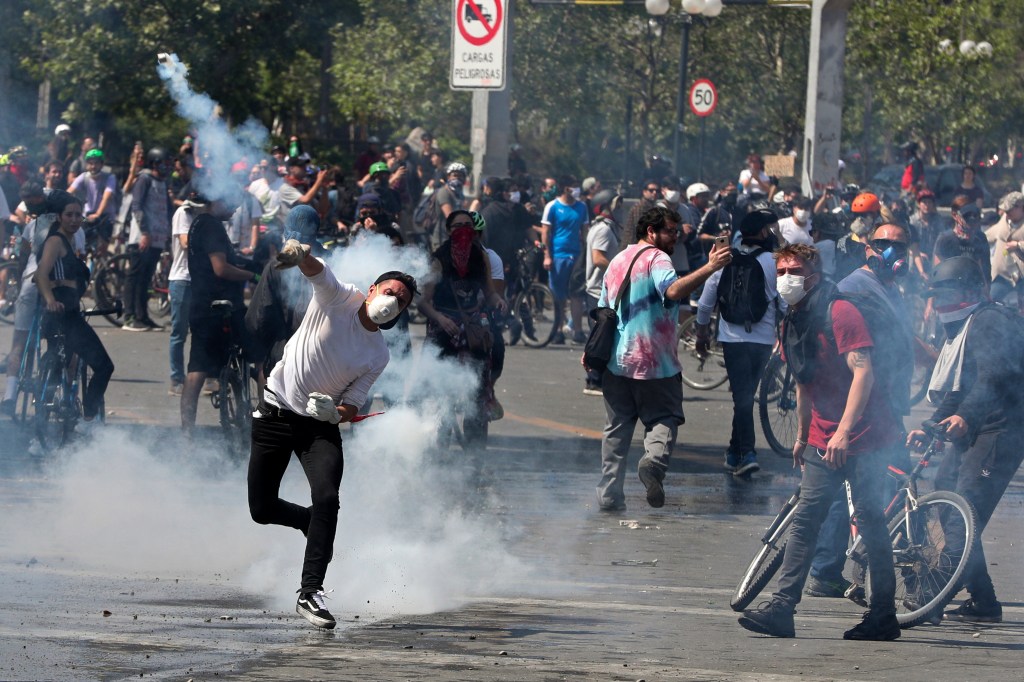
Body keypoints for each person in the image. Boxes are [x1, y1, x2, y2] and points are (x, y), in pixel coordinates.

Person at [248, 237, 417, 630]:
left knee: (326, 497)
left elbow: (353, 405)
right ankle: (312, 526)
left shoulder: (379, 354)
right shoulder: (339, 298)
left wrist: (334, 412)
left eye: (402, 301)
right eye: (390, 291)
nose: (393, 300)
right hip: (274, 412)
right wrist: (300, 254)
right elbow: (318, 272)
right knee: (262, 509)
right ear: (372, 289)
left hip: (317, 427)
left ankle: (310, 593)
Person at [737, 244, 899, 642]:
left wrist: (843, 430)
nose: (787, 277)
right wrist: (805, 434)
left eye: (795, 269)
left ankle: (884, 615)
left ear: (814, 273)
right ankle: (782, 608)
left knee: (871, 522)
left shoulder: (840, 311)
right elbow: (804, 378)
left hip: (866, 433)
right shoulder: (791, 318)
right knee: (807, 518)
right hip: (824, 436)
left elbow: (864, 374)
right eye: (782, 270)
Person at [906, 257, 1024, 624]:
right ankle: (983, 600)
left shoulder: (989, 321)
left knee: (964, 513)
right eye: (937, 295)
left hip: (1000, 431)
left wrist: (964, 417)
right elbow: (963, 386)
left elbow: (992, 378)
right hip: (977, 426)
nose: (940, 303)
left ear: (970, 291)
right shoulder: (964, 325)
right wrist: (933, 423)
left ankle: (931, 597)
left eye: (947, 293)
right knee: (951, 504)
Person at [594, 206, 732, 512]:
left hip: (616, 361)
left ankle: (609, 495)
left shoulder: (618, 259)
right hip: (654, 361)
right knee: (664, 419)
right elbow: (672, 291)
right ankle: (653, 464)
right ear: (651, 232)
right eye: (670, 231)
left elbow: (602, 309)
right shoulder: (657, 259)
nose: (676, 237)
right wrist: (709, 268)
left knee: (616, 431)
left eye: (678, 231)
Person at [804, 223, 915, 601]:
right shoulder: (854, 286)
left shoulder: (890, 288)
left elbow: (900, 335)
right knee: (852, 489)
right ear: (868, 246)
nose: (891, 252)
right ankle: (828, 570)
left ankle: (842, 569)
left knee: (872, 488)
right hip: (862, 405)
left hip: (888, 403)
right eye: (884, 244)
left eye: (899, 246)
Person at [695, 209, 781, 476]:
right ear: (764, 232)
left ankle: (737, 452)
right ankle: (746, 453)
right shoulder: (773, 261)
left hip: (731, 339)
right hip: (763, 339)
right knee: (744, 396)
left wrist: (701, 335)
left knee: (742, 397)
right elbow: (785, 302)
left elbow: (706, 301)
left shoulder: (725, 259)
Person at [418, 210, 508, 432]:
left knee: (480, 383)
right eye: (458, 225)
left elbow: (490, 293)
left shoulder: (481, 257)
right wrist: (440, 318)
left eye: (468, 225)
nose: (464, 230)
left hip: (474, 329)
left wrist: (498, 301)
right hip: (445, 327)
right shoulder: (438, 259)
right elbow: (423, 302)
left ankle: (475, 455)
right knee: (441, 391)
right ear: (449, 230)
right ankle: (440, 444)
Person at [180, 201, 261, 434]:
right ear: (216, 200)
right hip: (223, 307)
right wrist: (254, 275)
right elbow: (221, 268)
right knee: (262, 356)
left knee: (197, 368)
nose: (237, 207)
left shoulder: (198, 223)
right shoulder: (212, 226)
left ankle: (187, 436)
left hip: (200, 304)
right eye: (232, 201)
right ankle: (269, 426)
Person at [35, 193, 114, 426]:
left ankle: (41, 427)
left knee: (58, 366)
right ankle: (88, 420)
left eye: (78, 214)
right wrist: (50, 299)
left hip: (63, 313)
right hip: (63, 314)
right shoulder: (56, 241)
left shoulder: (68, 241)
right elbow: (40, 275)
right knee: (104, 366)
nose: (74, 219)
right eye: (69, 214)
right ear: (59, 217)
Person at [123, 147, 172, 332]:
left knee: (146, 279)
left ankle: (142, 316)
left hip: (157, 239)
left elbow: (166, 209)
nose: (167, 167)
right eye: (163, 163)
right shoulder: (144, 179)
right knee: (135, 276)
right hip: (142, 237)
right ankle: (129, 317)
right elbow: (136, 206)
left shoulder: (162, 183)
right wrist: (144, 232)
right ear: (154, 163)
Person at [582, 191, 622, 396]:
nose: (619, 208)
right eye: (616, 204)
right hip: (599, 290)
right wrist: (621, 271)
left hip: (601, 289)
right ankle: (594, 380)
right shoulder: (603, 230)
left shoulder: (602, 227)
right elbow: (598, 259)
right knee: (600, 337)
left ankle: (598, 379)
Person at [541, 175, 589, 345]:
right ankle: (558, 330)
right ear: (565, 187)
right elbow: (545, 232)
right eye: (573, 185)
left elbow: (585, 232)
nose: (577, 189)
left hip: (576, 255)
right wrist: (547, 255)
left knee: (577, 295)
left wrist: (586, 256)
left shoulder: (582, 207)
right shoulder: (552, 207)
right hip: (557, 256)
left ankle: (578, 331)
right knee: (558, 296)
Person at [166, 193, 206, 396]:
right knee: (179, 332)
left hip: (200, 280)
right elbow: (185, 242)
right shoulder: (184, 212)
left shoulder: (205, 215)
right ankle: (176, 378)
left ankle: (198, 377)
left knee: (202, 332)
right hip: (182, 279)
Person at [68, 148, 117, 251]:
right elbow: (69, 192)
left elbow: (106, 197)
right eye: (90, 163)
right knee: (80, 244)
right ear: (86, 165)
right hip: (88, 216)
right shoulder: (83, 177)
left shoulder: (109, 177)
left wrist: (98, 214)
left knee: (102, 247)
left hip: (105, 216)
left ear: (102, 164)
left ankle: (101, 264)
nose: (93, 166)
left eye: (96, 163)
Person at [933, 196, 990, 283]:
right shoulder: (945, 239)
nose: (971, 219)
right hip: (951, 288)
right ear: (955, 215)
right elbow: (936, 272)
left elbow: (985, 271)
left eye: (974, 215)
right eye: (966, 215)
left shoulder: (980, 239)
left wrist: (986, 290)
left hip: (974, 288)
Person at [984, 191, 1024, 309]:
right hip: (1002, 276)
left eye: (1010, 209)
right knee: (990, 304)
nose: (1006, 212)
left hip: (1021, 277)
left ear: (1021, 207)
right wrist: (977, 238)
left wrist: (1018, 245)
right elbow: (992, 233)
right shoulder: (1004, 219)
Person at [624, 180, 660, 247]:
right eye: (651, 190)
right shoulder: (640, 207)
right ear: (644, 192)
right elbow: (640, 228)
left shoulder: (652, 206)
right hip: (633, 245)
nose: (655, 193)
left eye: (657, 191)